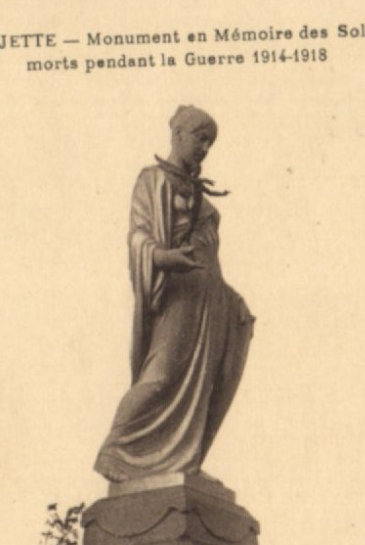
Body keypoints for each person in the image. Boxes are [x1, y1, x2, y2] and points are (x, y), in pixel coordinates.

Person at [94, 106, 254, 482]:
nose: (204, 147)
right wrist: (164, 257)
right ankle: (116, 453)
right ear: (177, 134)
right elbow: (138, 236)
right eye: (200, 137)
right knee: (160, 377)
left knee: (207, 384)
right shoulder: (152, 181)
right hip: (176, 295)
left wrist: (231, 300)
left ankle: (184, 460)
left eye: (210, 142)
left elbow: (211, 260)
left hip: (209, 301)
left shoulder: (206, 202)